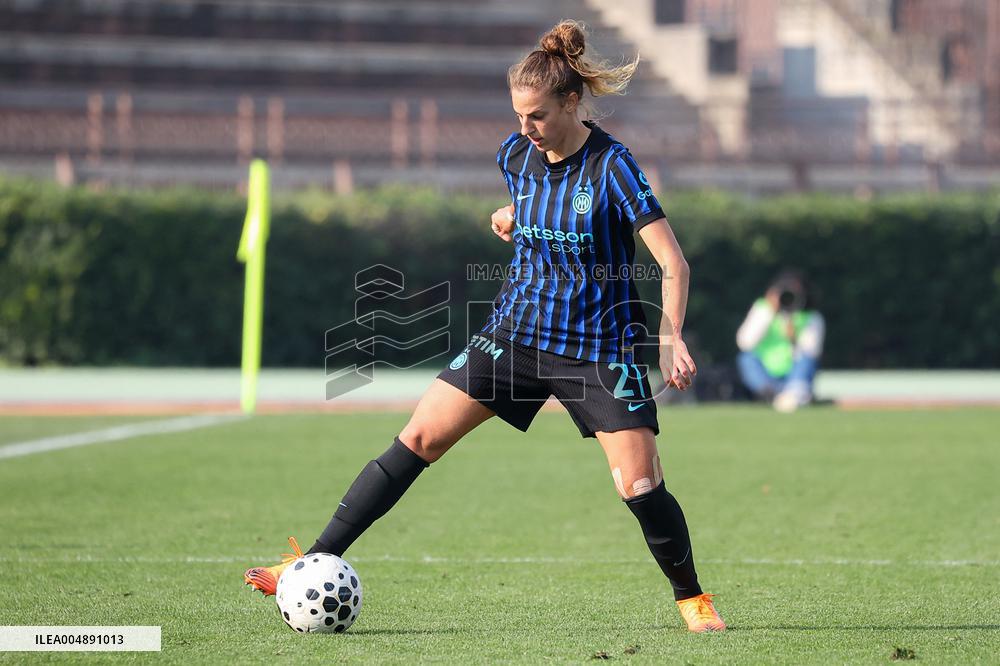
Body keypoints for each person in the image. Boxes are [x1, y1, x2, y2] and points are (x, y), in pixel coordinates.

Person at [244, 20, 725, 633]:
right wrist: (511, 215)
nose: (526, 127)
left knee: (638, 484)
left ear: (572, 103)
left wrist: (670, 335)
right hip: (517, 332)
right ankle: (309, 563)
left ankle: (692, 599)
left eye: (538, 115)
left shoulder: (614, 167)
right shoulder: (515, 154)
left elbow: (672, 261)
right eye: (519, 114)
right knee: (417, 440)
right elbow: (533, 202)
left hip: (596, 347)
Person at [736, 271, 825, 412]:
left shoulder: (811, 317)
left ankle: (794, 393)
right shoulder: (763, 309)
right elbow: (745, 343)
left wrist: (794, 337)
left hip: (794, 374)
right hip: (766, 373)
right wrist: (770, 311)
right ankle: (773, 394)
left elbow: (811, 353)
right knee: (746, 359)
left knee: (806, 359)